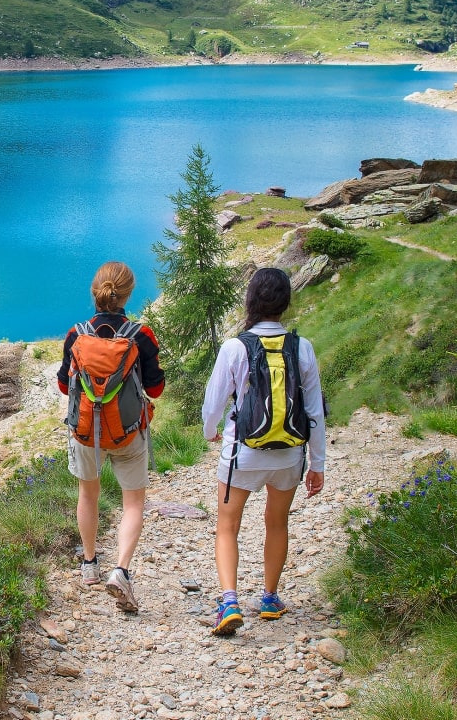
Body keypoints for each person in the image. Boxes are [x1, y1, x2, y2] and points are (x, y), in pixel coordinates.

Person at [200, 267, 326, 636]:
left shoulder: (235, 347)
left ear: (251, 299)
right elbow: (315, 411)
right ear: (285, 302)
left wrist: (212, 432)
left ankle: (229, 601)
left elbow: (213, 403)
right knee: (277, 522)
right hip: (289, 453)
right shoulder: (302, 347)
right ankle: (270, 598)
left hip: (243, 454)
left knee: (227, 525)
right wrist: (316, 464)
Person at [58, 261, 165, 612]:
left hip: (86, 431)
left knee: (88, 494)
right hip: (128, 433)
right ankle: (121, 570)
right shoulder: (141, 334)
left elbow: (63, 384)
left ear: (95, 292)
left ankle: (89, 565)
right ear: (128, 293)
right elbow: (156, 387)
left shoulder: (77, 333)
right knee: (133, 503)